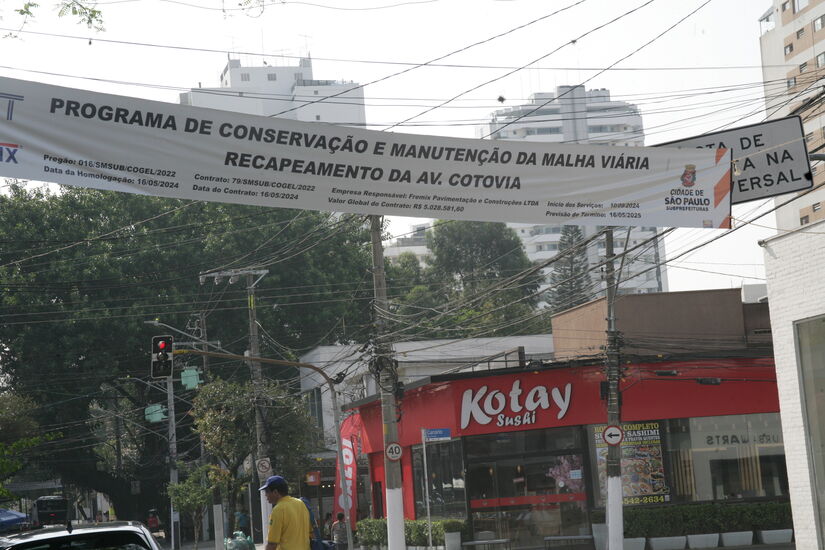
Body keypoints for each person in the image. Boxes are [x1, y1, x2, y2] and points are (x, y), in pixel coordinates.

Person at [260, 475, 311, 550]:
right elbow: (310, 533)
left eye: (267, 492)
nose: (265, 495)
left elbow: (272, 544)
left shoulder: (278, 510)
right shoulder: (301, 504)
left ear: (275, 492)